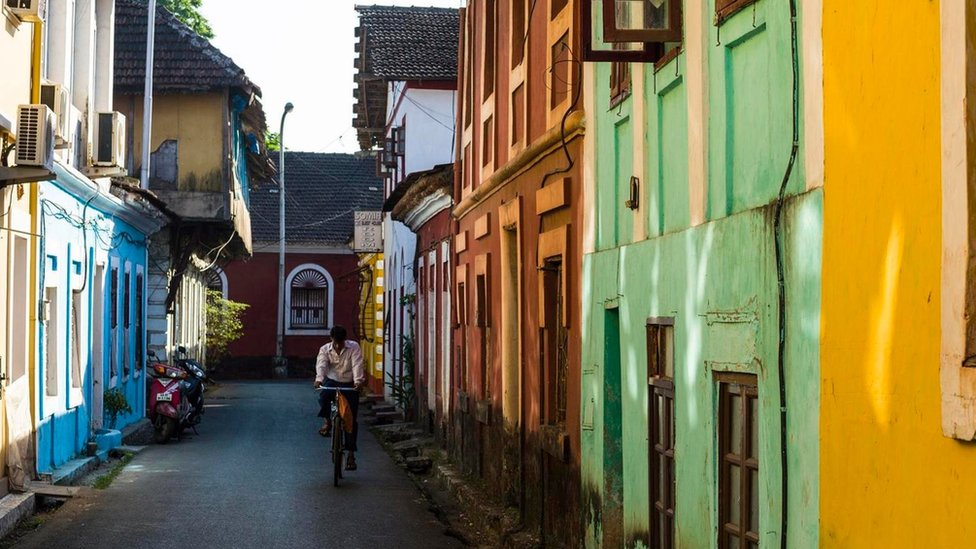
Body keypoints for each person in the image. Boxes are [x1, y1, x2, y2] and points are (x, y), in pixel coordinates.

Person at [313, 325, 366, 471]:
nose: (338, 346)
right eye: (335, 342)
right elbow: (322, 365)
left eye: (340, 343)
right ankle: (328, 421)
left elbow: (357, 365)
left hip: (349, 383)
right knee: (324, 396)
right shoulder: (325, 349)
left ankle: (351, 455)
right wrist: (319, 379)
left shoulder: (353, 347)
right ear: (331, 339)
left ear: (345, 340)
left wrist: (358, 381)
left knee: (350, 419)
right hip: (332, 380)